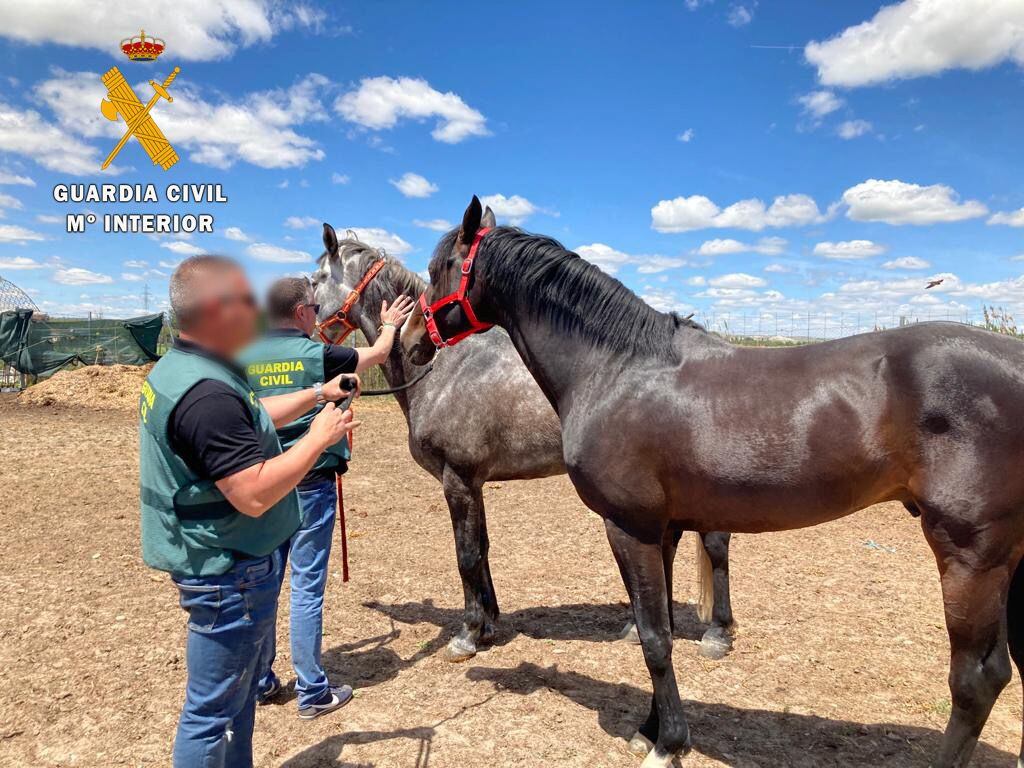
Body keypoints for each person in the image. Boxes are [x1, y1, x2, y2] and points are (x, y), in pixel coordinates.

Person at [139, 255, 359, 768]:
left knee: (236, 702)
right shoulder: (206, 395)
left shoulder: (189, 368)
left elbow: (251, 417)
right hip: (228, 573)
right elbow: (254, 493)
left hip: (224, 563)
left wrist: (316, 395)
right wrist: (318, 437)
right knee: (211, 713)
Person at [242, 277, 413, 718]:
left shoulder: (241, 357)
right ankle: (313, 691)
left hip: (262, 483)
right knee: (306, 589)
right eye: (315, 309)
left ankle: (260, 681)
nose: (319, 315)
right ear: (300, 312)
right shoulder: (315, 354)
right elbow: (375, 355)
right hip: (310, 483)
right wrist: (390, 324)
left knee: (264, 585)